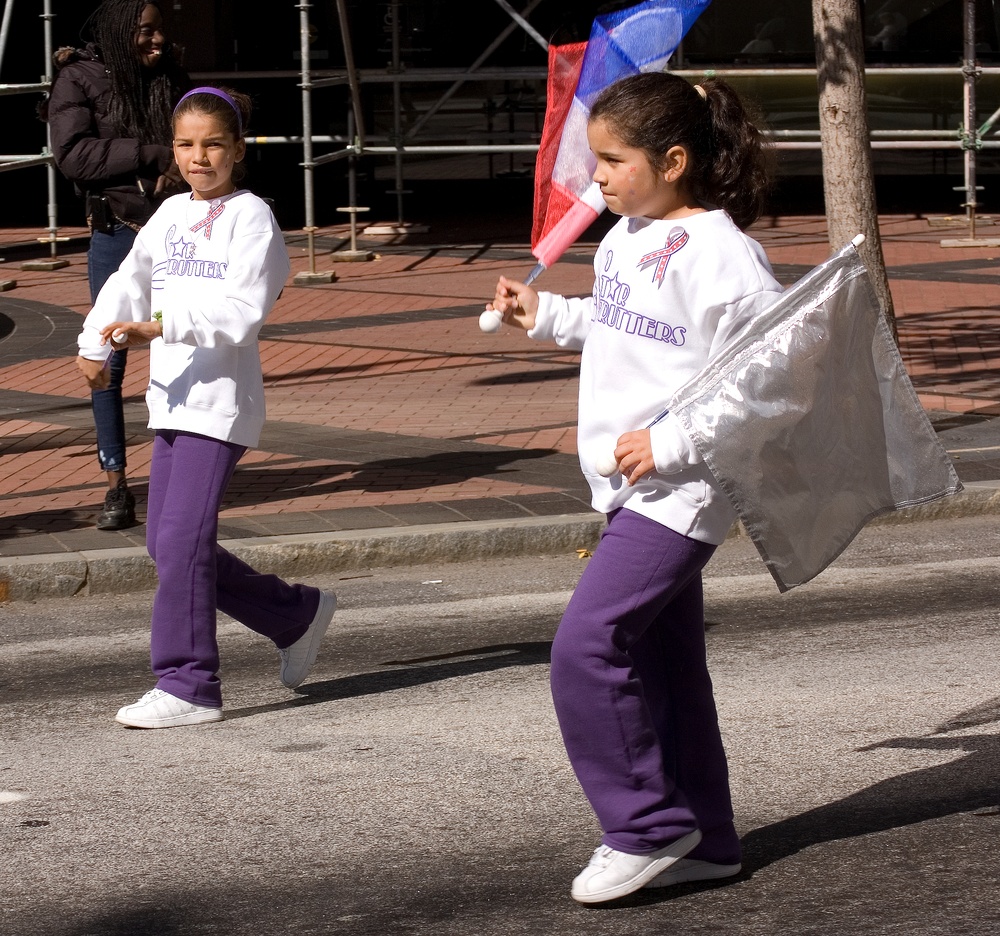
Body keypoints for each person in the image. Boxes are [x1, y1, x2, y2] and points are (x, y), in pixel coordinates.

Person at [486, 73, 783, 904]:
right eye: (595, 160)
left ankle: (646, 825)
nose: (598, 178)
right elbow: (616, 322)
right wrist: (546, 316)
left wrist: (672, 439)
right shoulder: (625, 236)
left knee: (585, 648)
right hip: (627, 482)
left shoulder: (727, 257)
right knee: (666, 668)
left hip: (684, 490)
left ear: (675, 160)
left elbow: (763, 383)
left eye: (613, 161)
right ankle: (708, 838)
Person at [76, 86, 337, 729]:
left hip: (220, 403)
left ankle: (189, 683)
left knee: (182, 543)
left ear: (238, 150)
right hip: (169, 397)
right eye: (188, 144)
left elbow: (242, 314)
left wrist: (156, 327)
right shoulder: (167, 214)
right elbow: (126, 281)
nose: (200, 156)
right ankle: (292, 613)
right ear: (174, 149)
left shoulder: (254, 218)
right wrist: (94, 339)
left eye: (214, 144)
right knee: (169, 547)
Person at [46, 0, 190, 530]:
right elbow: (75, 156)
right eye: (146, 33)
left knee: (183, 345)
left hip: (177, 232)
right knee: (107, 360)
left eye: (160, 31)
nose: (157, 41)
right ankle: (116, 484)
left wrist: (177, 168)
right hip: (116, 232)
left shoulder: (171, 72)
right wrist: (154, 156)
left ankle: (180, 477)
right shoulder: (78, 78)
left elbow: (196, 143)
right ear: (118, 33)